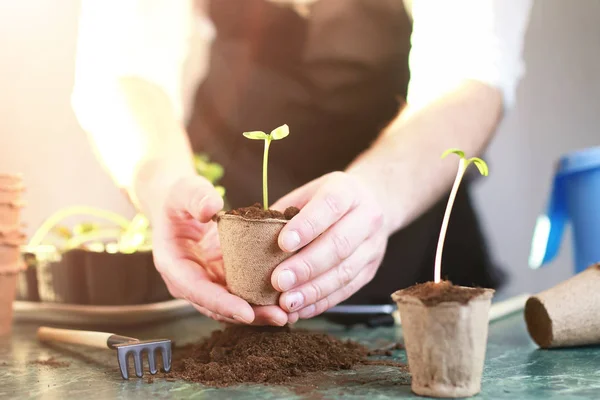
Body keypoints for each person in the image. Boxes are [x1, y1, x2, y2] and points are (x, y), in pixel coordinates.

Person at [71, 0, 533, 326]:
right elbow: (123, 66)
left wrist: (377, 198)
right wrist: (162, 182)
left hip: (405, 206)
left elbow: (472, 71)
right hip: (224, 221)